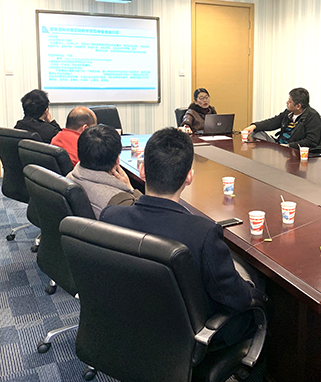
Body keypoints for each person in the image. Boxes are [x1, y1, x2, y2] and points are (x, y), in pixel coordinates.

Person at [100, 127, 266, 348]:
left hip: (126, 324)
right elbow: (236, 299)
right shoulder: (203, 233)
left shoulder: (110, 216)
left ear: (142, 171)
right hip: (186, 340)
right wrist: (253, 289)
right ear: (189, 177)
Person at [67, 125, 142, 218]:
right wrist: (130, 188)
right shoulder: (121, 201)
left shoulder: (69, 178)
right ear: (117, 160)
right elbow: (147, 216)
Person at [242, 87, 321, 149]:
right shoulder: (288, 112)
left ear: (298, 106)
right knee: (256, 133)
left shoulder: (312, 116)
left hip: (292, 149)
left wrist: (288, 146)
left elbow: (311, 141)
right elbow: (273, 122)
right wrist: (254, 126)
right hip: (279, 145)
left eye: (290, 101)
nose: (287, 103)